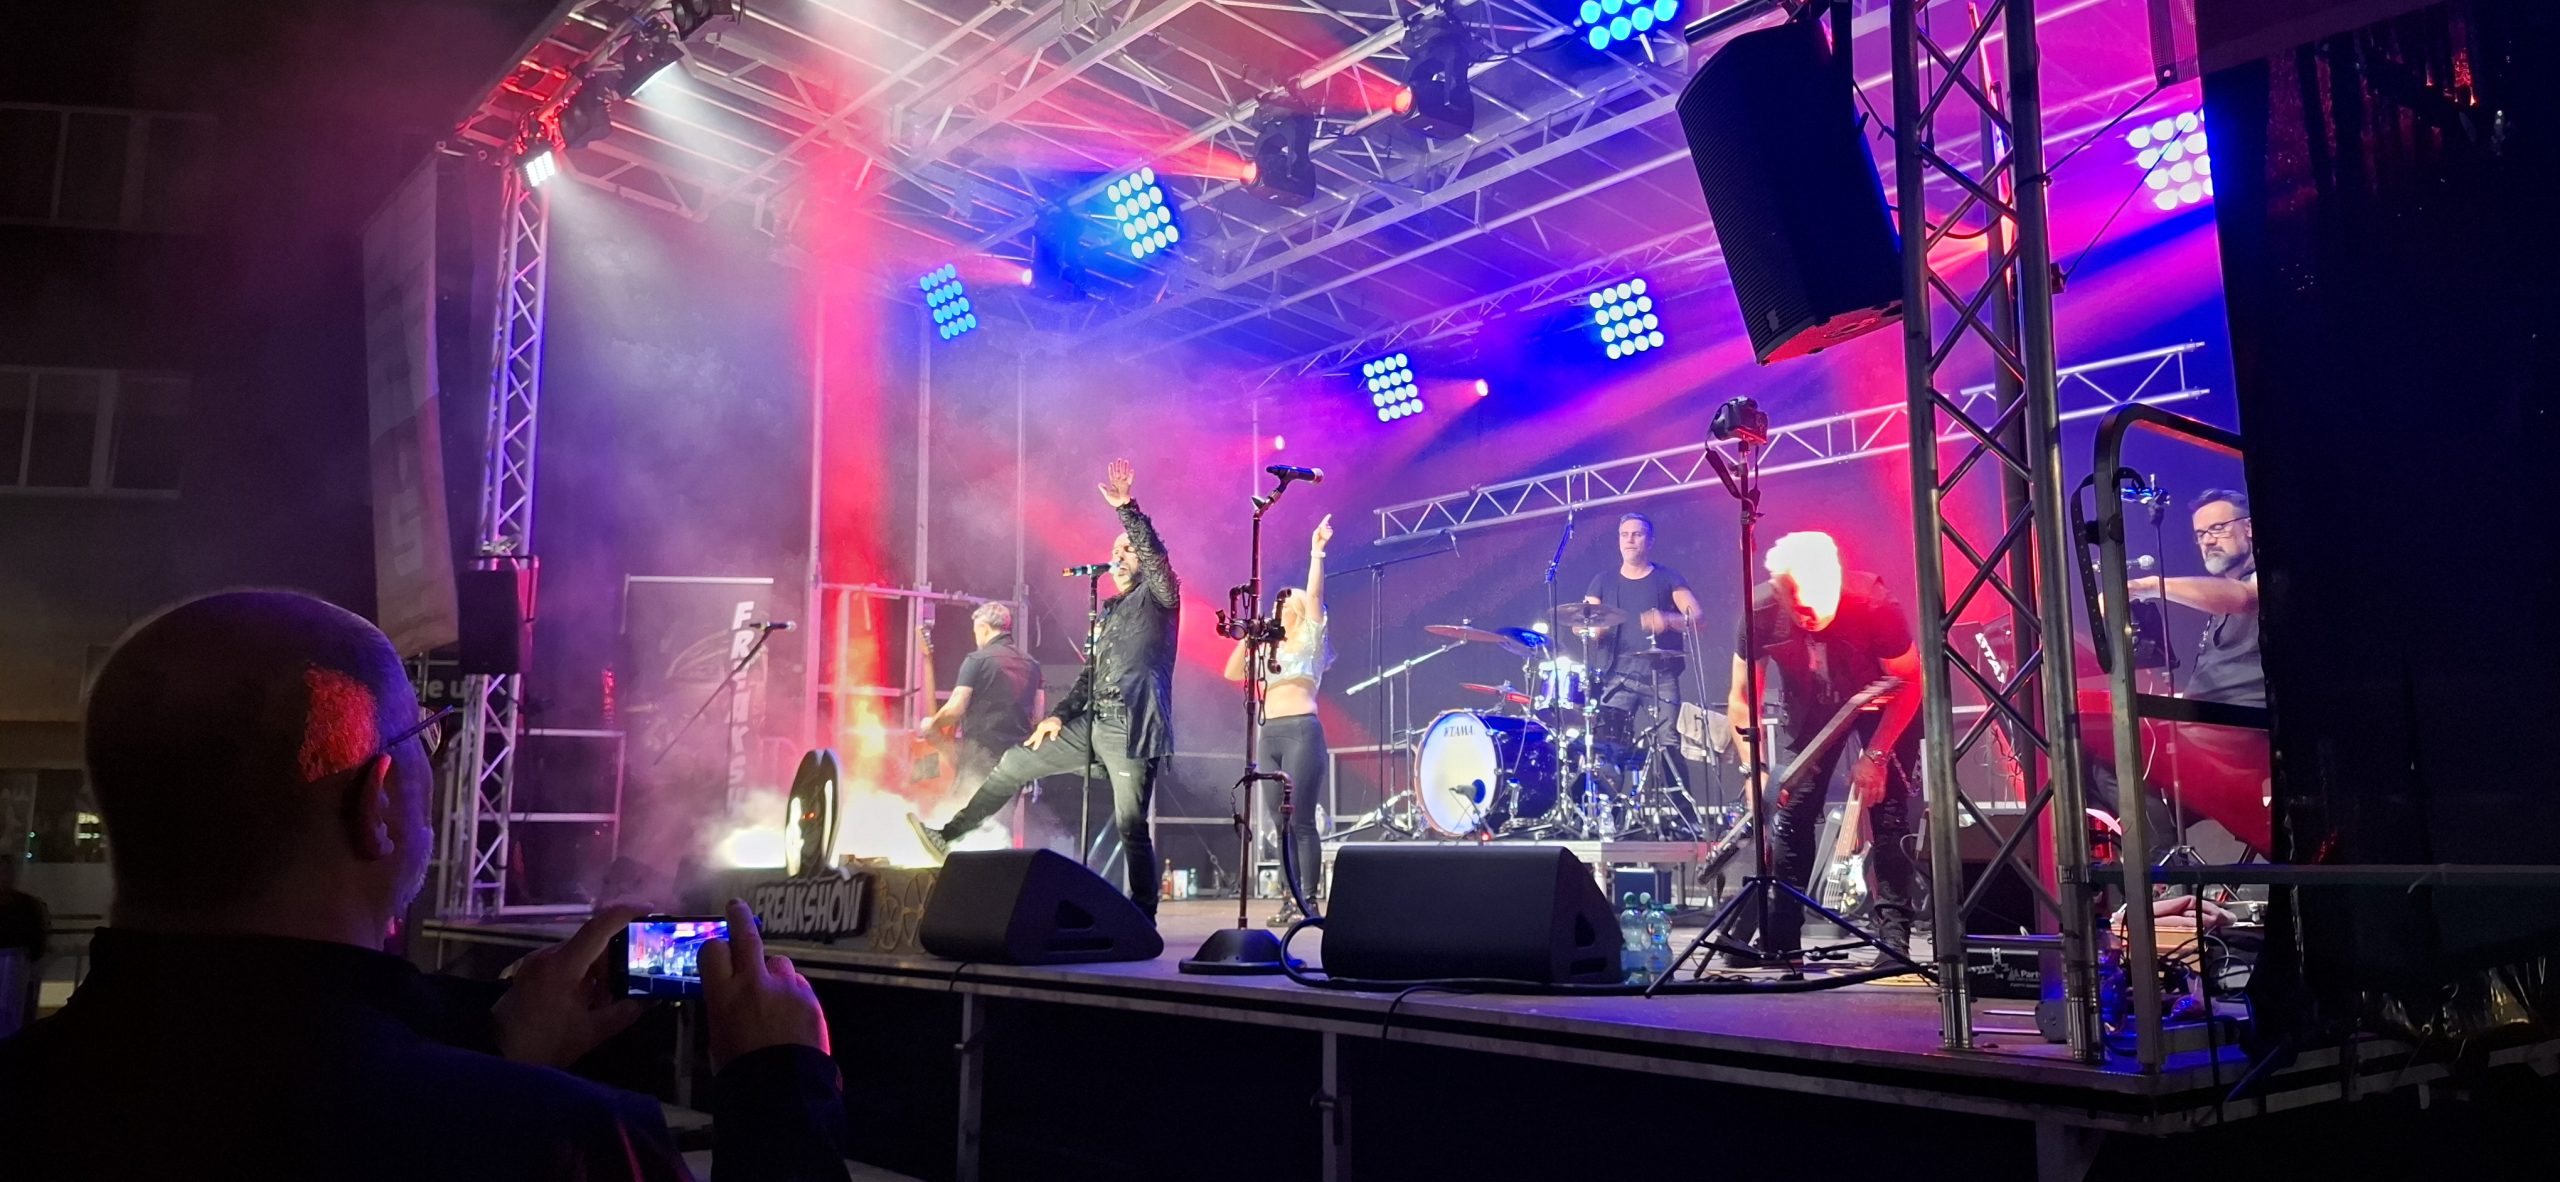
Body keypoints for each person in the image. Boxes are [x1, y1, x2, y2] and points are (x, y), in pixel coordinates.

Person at [0, 591, 849, 1181]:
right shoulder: (565, 1146)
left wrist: (494, 1052)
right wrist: (779, 1090)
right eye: (425, 742)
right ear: (376, 804)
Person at [910, 459, 1180, 919]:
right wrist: (1058, 715)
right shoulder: (1111, 612)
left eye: (1126, 549)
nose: (1118, 556)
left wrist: (1127, 509)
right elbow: (1089, 677)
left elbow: (1154, 556)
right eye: (1114, 549)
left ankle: (1143, 914)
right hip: (1092, 722)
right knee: (1014, 763)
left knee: (1131, 824)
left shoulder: (1161, 598)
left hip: (1132, 726)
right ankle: (948, 835)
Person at [1722, 531, 1926, 966]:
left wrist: (1876, 755)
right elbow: (1742, 697)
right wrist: (1754, 769)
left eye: (1817, 604)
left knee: (1888, 813)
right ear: (1779, 592)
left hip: (1884, 704)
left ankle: (1893, 940)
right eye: (1797, 607)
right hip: (1812, 709)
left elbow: (1910, 681)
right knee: (1791, 813)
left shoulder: (1874, 604)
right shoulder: (1760, 610)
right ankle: (1783, 942)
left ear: (1835, 581)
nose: (1809, 616)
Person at [2087, 487, 2273, 852]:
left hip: (2237, 745)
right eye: (2201, 534)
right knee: (2086, 754)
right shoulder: (2220, 604)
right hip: (2202, 740)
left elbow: (2245, 598)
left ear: (2249, 528)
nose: (2208, 541)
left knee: (2115, 754)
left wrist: (2147, 586)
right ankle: (2149, 862)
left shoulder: (2265, 580)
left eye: (2218, 528)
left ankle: (2163, 872)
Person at [1224, 514, 1334, 927]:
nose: (1282, 604)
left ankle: (1309, 901)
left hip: (1302, 731)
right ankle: (1289, 898)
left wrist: (1316, 552)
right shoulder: (1267, 649)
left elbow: (1316, 594)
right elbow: (1232, 671)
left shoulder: (1311, 639)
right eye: (1279, 601)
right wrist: (1251, 636)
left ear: (1301, 611)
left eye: (1290, 601)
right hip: (1269, 734)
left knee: (1301, 820)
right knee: (1278, 822)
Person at [1582, 512, 1705, 716]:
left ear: (1650, 541)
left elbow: (1698, 619)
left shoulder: (1668, 577)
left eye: (1637, 534)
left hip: (1661, 677)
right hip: (1615, 676)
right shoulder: (1603, 581)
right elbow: (1585, 619)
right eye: (1624, 534)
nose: (1629, 539)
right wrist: (1591, 629)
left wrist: (1668, 620)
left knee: (1667, 734)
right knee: (1608, 734)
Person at [919, 601, 1044, 794]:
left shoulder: (977, 660)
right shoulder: (1033, 665)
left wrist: (932, 725)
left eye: (975, 632)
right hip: (1016, 762)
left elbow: (955, 709)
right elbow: (1038, 717)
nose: (975, 638)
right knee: (1002, 812)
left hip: (980, 758)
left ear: (984, 628)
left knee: (963, 809)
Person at [0, 854, 47, 1035]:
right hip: (18, 968)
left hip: (18, 970)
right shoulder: (27, 905)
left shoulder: (27, 905)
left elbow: (37, 939)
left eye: (6, 872)